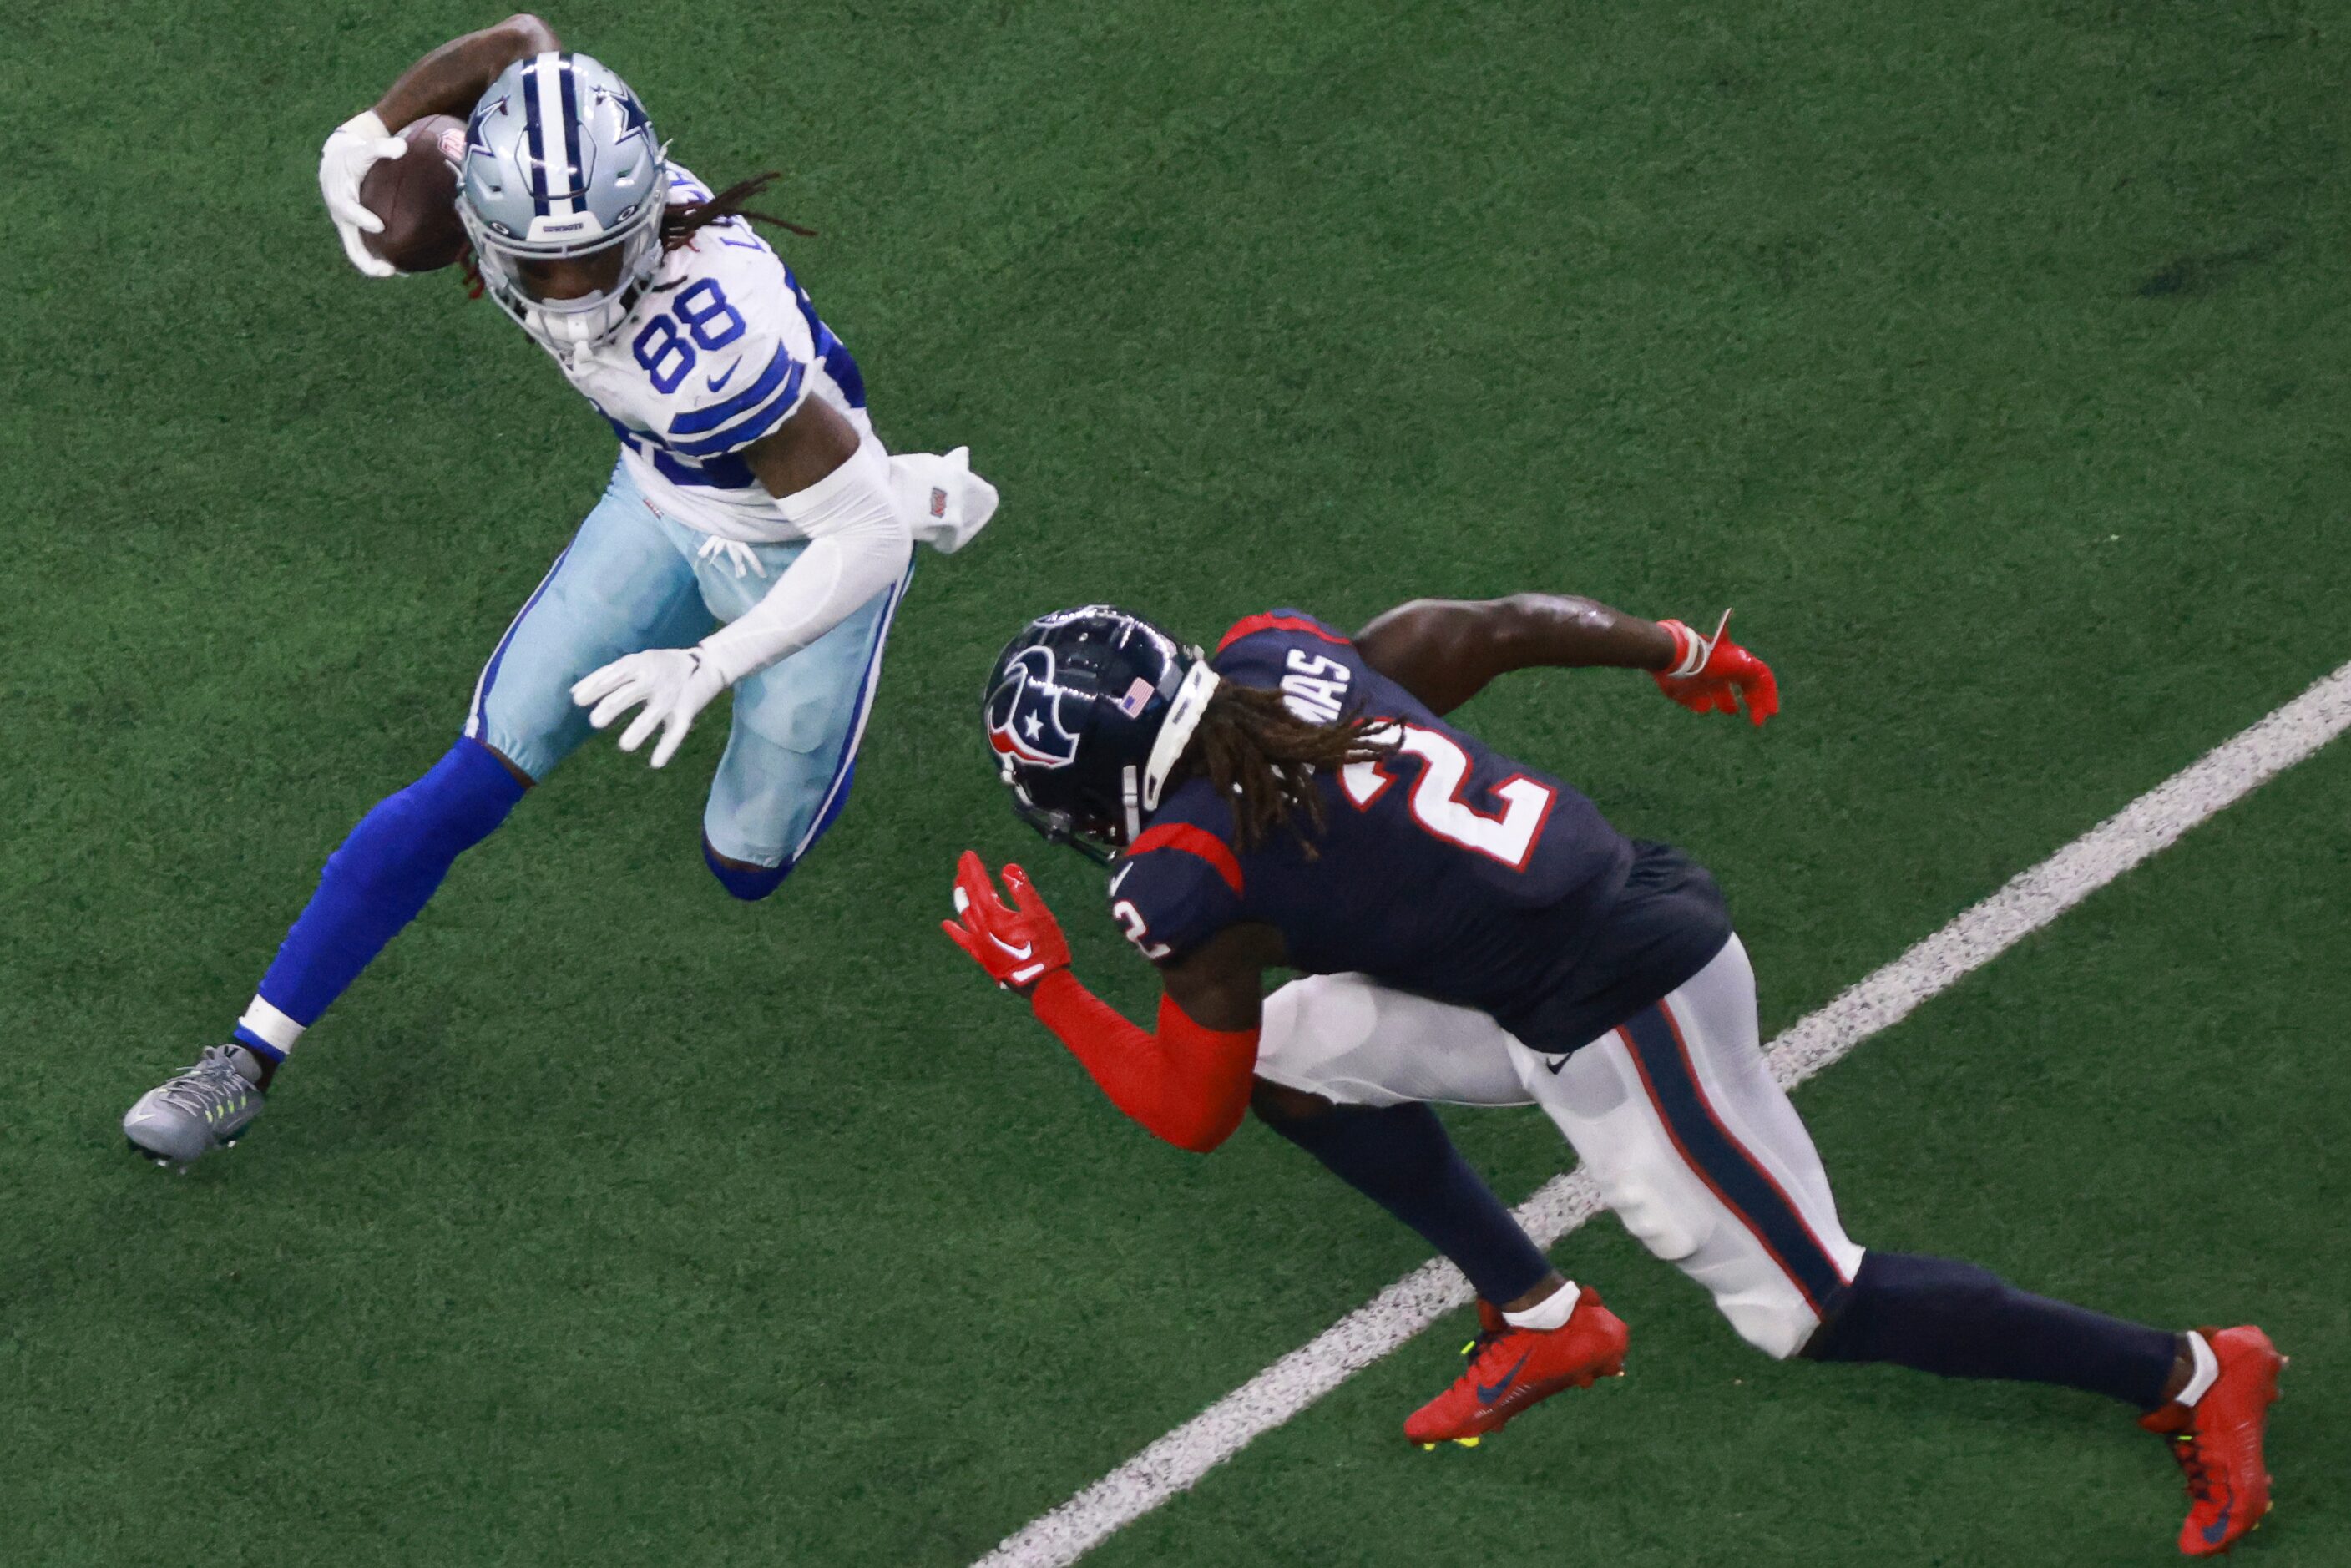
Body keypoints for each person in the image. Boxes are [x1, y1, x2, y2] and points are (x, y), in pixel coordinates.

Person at [943, 597, 2282, 1557]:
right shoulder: (1270, 657)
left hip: (1623, 998)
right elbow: (1488, 628)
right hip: (1562, 944)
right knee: (1296, 1057)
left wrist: (1045, 984)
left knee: (1808, 1306)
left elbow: (1190, 1111)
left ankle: (2192, 1373)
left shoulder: (1189, 880)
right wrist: (1672, 646)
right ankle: (1539, 1317)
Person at [124, 15, 995, 1168]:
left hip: (808, 540)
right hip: (658, 503)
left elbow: (862, 542)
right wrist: (361, 137)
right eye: (543, 264)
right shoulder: (508, 203)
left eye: (598, 258)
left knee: (745, 866)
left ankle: (914, 486)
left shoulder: (717, 336)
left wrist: (714, 662)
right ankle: (243, 1059)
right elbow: (525, 42)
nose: (575, 294)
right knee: (468, 778)